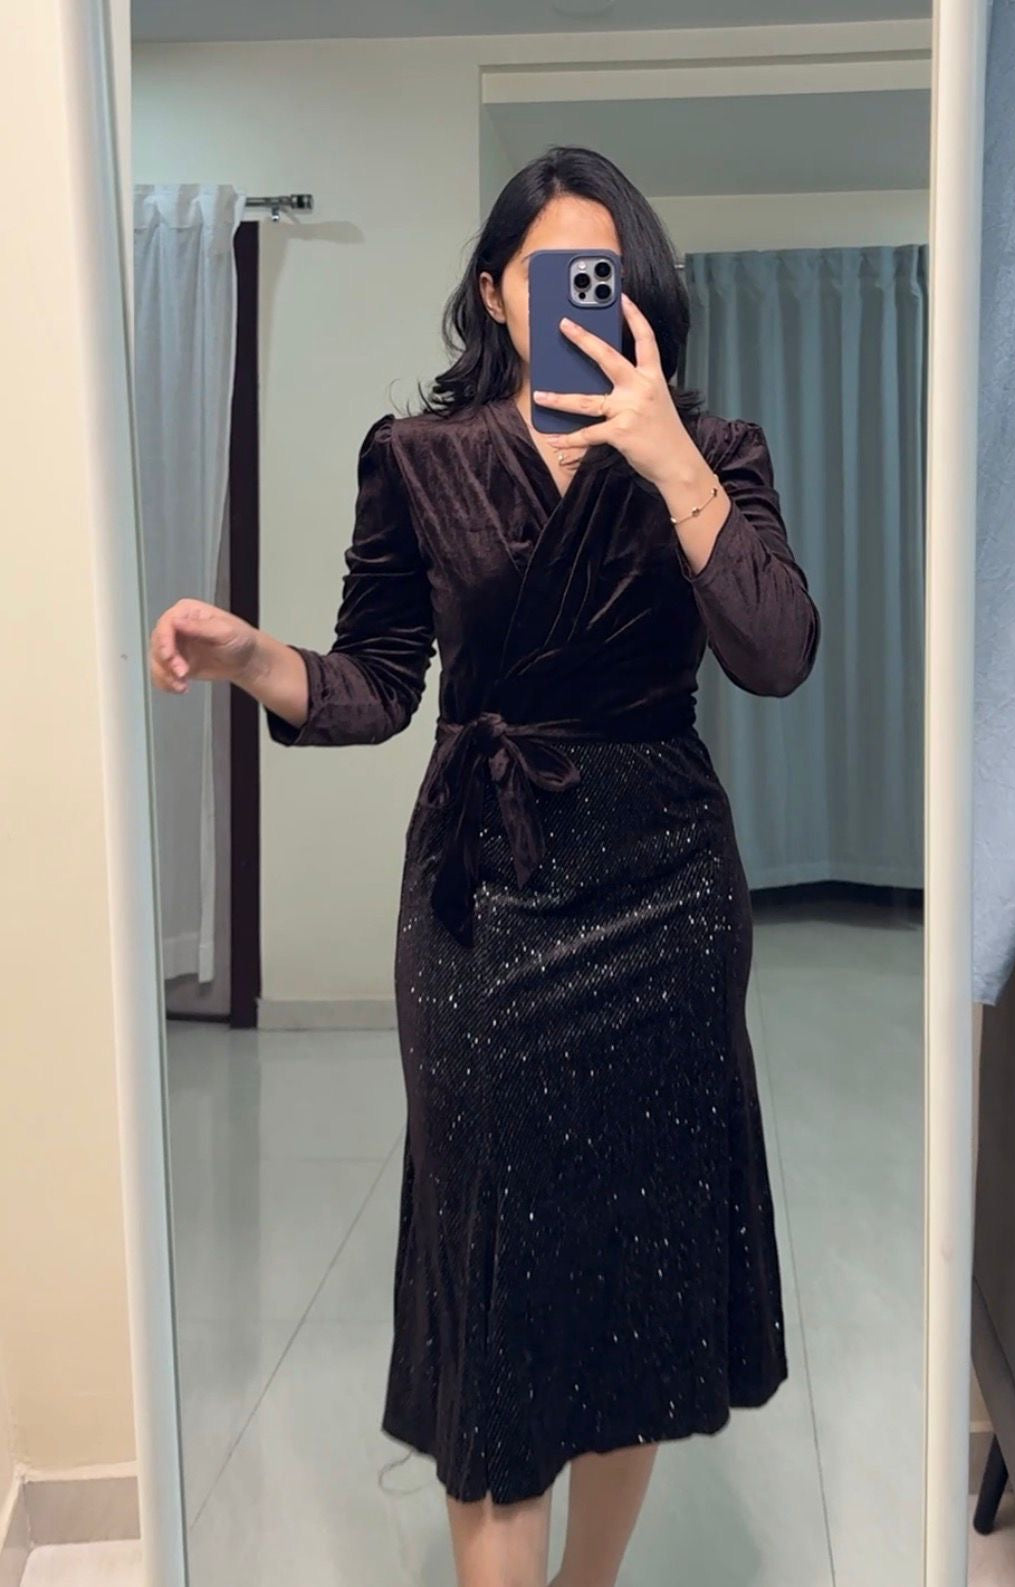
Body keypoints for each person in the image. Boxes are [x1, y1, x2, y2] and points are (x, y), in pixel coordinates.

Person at [148, 145, 820, 1587]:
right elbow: (377, 682)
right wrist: (251, 658)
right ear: (497, 295)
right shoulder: (419, 457)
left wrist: (666, 454)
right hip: (483, 897)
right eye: (552, 274)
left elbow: (776, 652)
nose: (583, 301)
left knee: (637, 1273)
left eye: (607, 277)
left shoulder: (715, 450)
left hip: (666, 894)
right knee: (493, 1273)